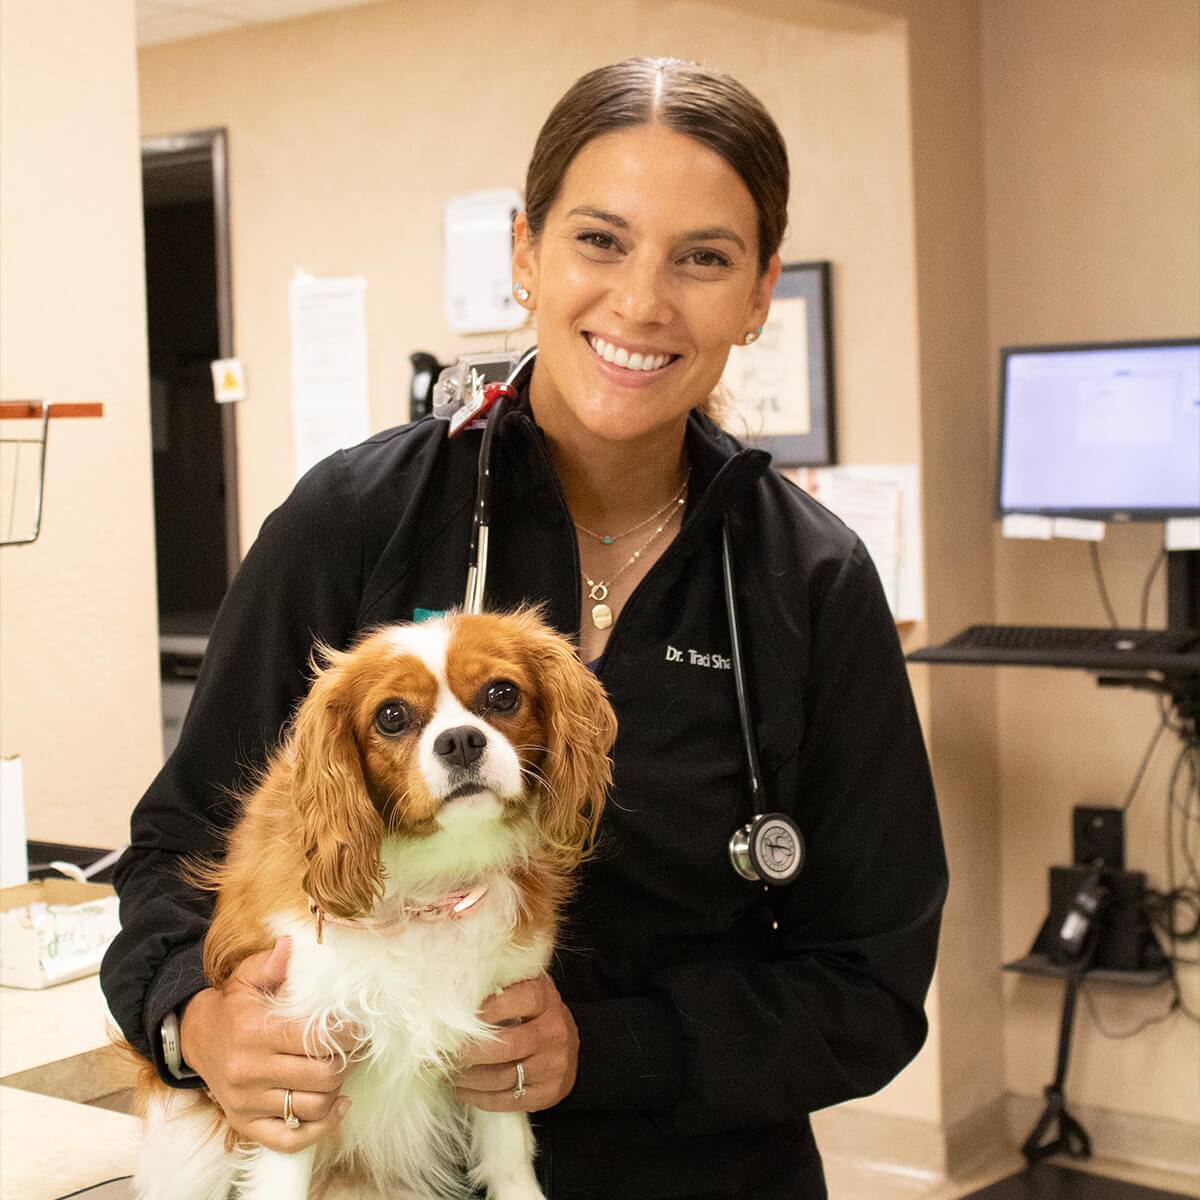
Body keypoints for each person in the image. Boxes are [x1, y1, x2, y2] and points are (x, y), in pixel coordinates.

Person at [103, 56, 947, 1199]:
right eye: (600, 240)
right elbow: (173, 852)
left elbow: (871, 986)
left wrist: (605, 1049)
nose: (643, 303)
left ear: (759, 295)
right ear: (525, 255)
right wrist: (193, 1021)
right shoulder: (356, 521)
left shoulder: (809, 581)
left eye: (703, 258)